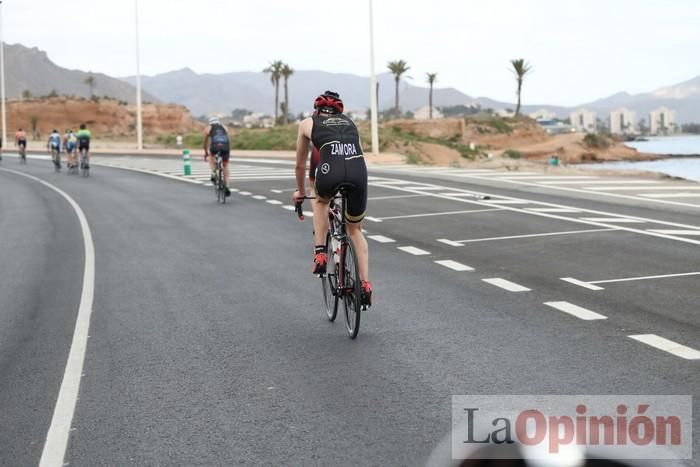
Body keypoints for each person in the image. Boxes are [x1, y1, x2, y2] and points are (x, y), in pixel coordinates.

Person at [292, 91, 372, 306]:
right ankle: (365, 285)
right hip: (358, 173)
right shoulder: (351, 123)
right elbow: (359, 155)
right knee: (355, 230)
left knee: (321, 201)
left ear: (316, 110)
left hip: (329, 171)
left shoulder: (308, 123)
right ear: (340, 110)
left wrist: (300, 191)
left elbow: (300, 165)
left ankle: (320, 253)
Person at [203, 117, 231, 196]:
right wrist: (228, 151)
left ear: (210, 123)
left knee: (211, 158)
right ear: (219, 122)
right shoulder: (225, 127)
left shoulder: (208, 128)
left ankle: (213, 173)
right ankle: (227, 187)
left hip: (214, 147)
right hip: (225, 147)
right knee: (226, 167)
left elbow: (205, 142)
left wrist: (205, 152)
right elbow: (228, 140)